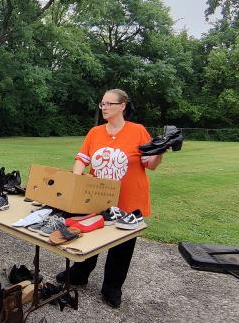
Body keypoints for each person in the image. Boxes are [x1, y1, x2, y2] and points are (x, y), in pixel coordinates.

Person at [56, 88, 163, 308]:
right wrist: (77, 180)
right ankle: (79, 274)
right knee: (87, 237)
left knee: (121, 249)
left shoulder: (138, 131)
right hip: (96, 199)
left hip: (128, 201)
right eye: (102, 104)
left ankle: (112, 288)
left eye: (108, 103)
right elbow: (81, 159)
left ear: (122, 106)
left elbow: (150, 164)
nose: (104, 107)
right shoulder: (95, 132)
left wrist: (161, 150)